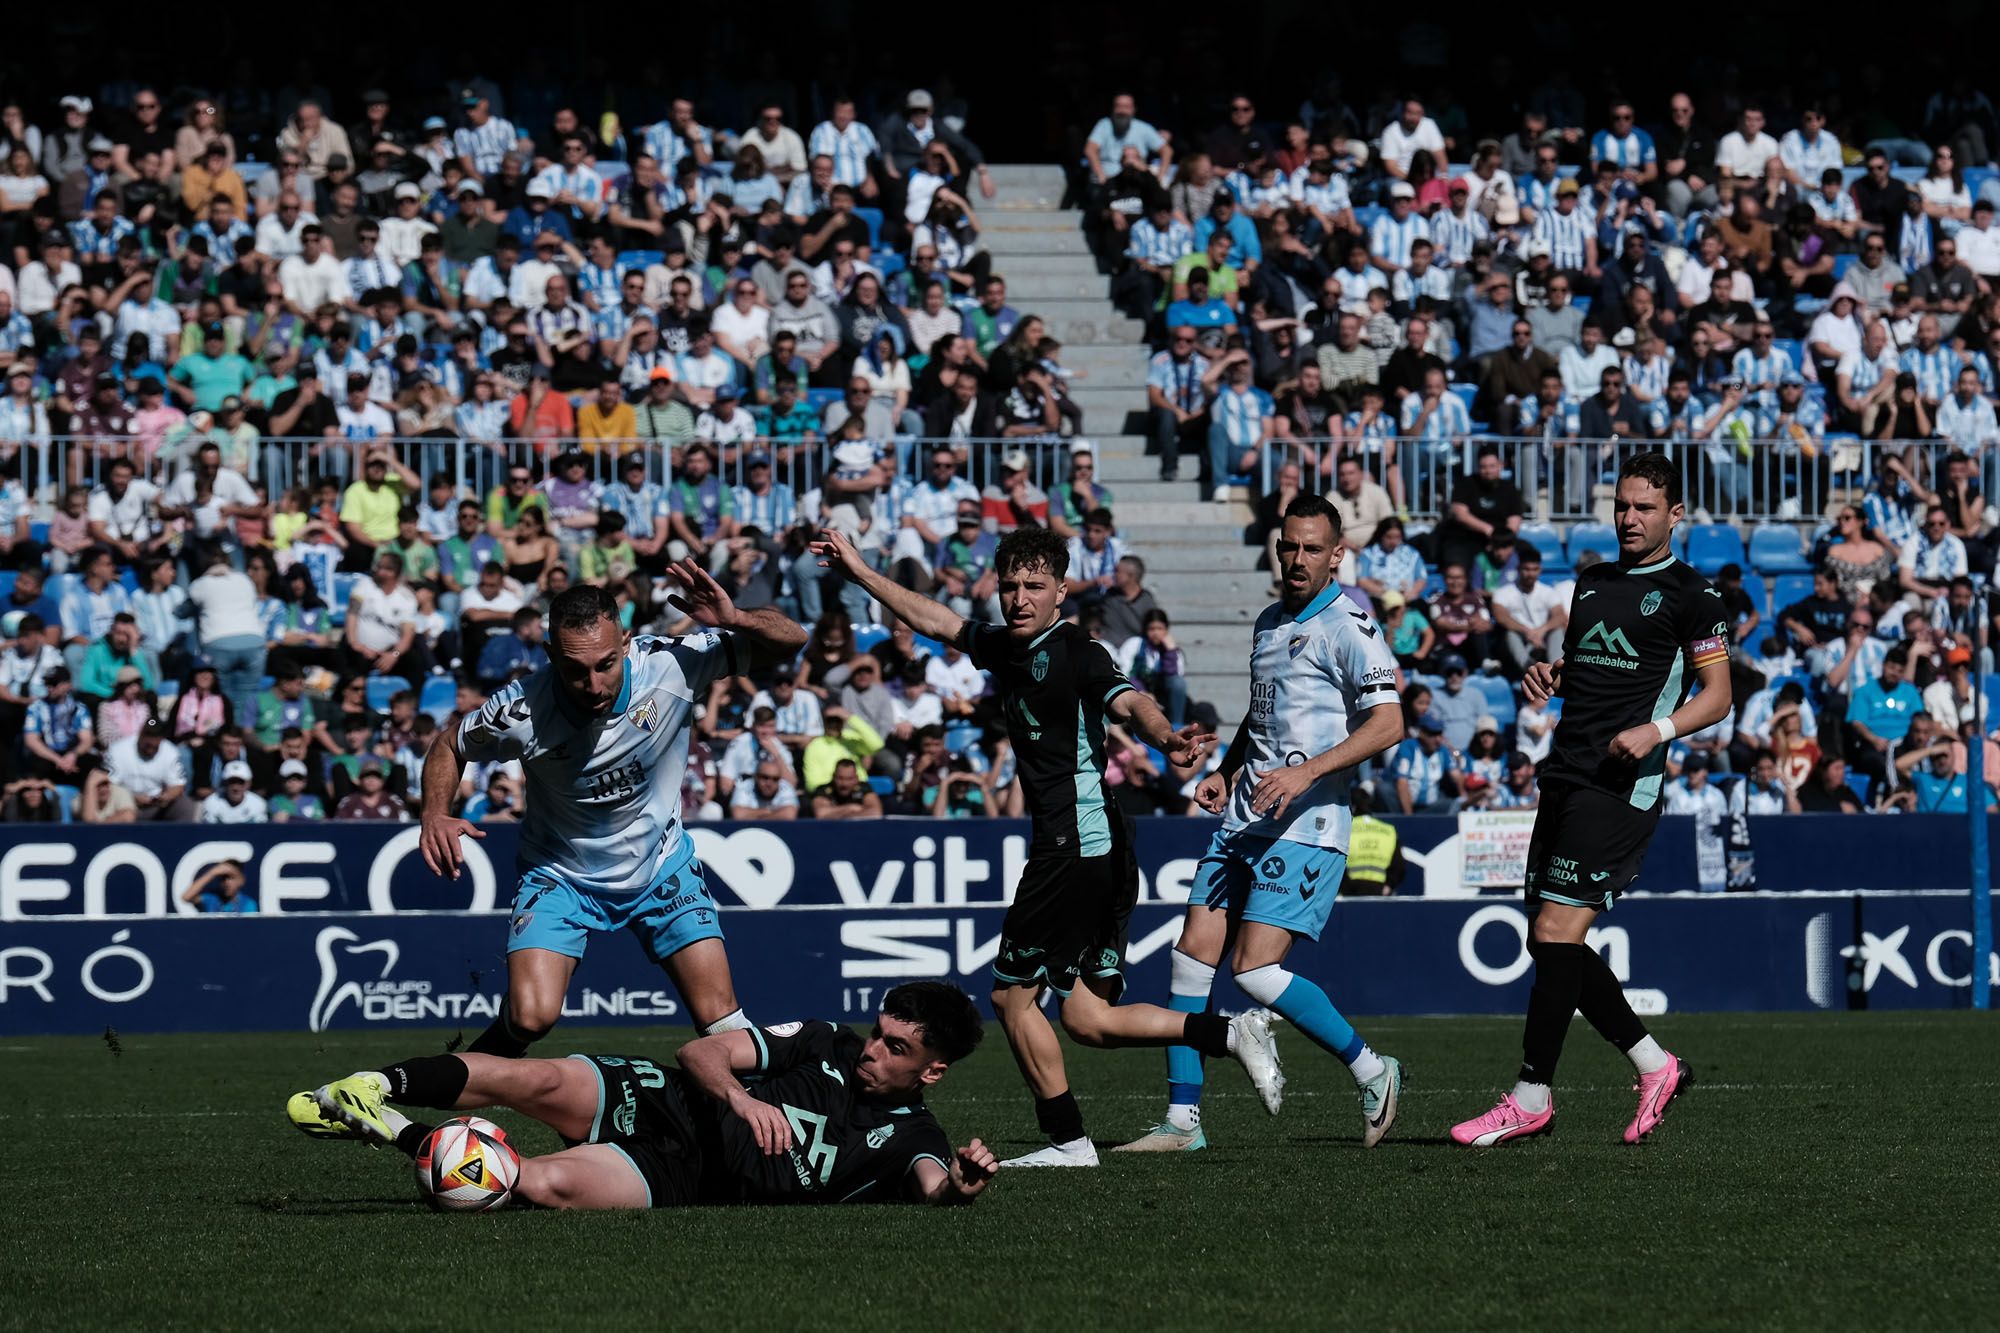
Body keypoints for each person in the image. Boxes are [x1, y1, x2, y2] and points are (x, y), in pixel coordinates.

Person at [809, 524, 1280, 1169]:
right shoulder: (1005, 648)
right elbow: (938, 620)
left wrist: (1166, 737)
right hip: (1096, 846)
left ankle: (1068, 1142)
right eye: (1010, 587)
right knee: (1085, 1018)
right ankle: (1229, 1032)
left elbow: (1131, 700)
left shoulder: (1079, 653)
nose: (1020, 598)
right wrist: (861, 571)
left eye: (1035, 586)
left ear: (1061, 591)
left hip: (1077, 844)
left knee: (1010, 996)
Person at [1451, 453, 1729, 1148]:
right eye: (1622, 505)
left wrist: (1657, 730)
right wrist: (1554, 671)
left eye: (1644, 507)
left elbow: (1719, 697)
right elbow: (1594, 662)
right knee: (1549, 940)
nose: (1629, 518)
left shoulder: (1693, 594)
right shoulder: (1592, 583)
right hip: (1566, 774)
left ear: (1675, 515)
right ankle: (1655, 1064)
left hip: (1620, 787)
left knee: (1554, 934)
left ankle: (1530, 1096)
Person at [1118, 494, 1405, 1155]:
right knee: (1190, 958)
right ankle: (1183, 1121)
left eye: (1312, 548)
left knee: (1251, 972)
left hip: (1309, 824)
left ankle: (1371, 1068)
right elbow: (1265, 715)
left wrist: (1307, 774)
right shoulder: (1271, 620)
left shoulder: (1350, 626)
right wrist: (1226, 766)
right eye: (1288, 546)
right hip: (1245, 816)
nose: (1297, 558)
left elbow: (1388, 723)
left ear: (1337, 554)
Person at [418, 574, 806, 1058]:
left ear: (625, 641)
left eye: (606, 664)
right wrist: (435, 813)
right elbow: (450, 744)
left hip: (661, 866)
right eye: (576, 670)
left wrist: (738, 620)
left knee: (722, 1022)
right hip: (561, 874)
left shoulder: (670, 663)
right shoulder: (521, 710)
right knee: (530, 1017)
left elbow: (793, 641)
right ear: (550, 654)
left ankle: (767, 1122)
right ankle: (447, 1084)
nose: (594, 685)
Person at [289, 983, 998, 1209]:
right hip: (674, 1101)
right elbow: (701, 1051)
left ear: (933, 1071)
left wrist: (961, 1187)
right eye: (878, 1033)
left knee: (535, 1183)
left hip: (686, 1177)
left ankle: (390, 1126)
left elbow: (935, 1187)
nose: (873, 1050)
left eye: (896, 1048)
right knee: (535, 1078)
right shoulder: (824, 1039)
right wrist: (742, 1100)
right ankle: (378, 1083)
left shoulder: (918, 1138)